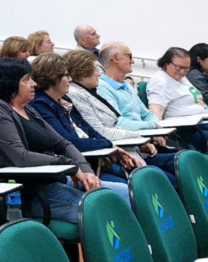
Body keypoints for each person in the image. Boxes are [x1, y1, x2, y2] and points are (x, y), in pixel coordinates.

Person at [0, 58, 104, 225]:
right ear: (8, 83)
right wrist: (70, 166)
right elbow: (21, 157)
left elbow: (63, 144)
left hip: (54, 182)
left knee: (122, 196)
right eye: (26, 80)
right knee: (103, 210)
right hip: (28, 193)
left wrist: (86, 170)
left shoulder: (28, 109)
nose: (34, 84)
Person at [29, 54, 135, 201]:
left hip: (92, 162)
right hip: (74, 170)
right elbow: (70, 142)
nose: (70, 79)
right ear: (53, 77)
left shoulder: (65, 99)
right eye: (66, 75)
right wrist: (109, 145)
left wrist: (111, 146)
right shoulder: (40, 105)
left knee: (138, 179)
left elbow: (90, 129)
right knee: (126, 190)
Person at [64, 50, 178, 185]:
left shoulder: (94, 90)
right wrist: (138, 139)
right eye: (94, 70)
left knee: (184, 161)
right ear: (81, 72)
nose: (99, 74)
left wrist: (140, 143)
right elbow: (100, 131)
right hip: (112, 155)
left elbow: (116, 123)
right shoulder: (75, 93)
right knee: (165, 179)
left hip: (129, 150)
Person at [146, 46, 208, 150]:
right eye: (179, 67)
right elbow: (155, 111)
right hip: (189, 129)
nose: (183, 72)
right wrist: (158, 133)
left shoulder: (179, 77)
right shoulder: (160, 82)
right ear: (166, 63)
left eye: (187, 68)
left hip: (202, 122)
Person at [98, 42, 162, 131]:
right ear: (115, 58)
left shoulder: (126, 85)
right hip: (128, 139)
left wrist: (155, 131)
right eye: (129, 56)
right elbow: (118, 123)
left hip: (143, 137)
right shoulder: (101, 87)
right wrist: (152, 126)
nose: (132, 61)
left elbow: (147, 114)